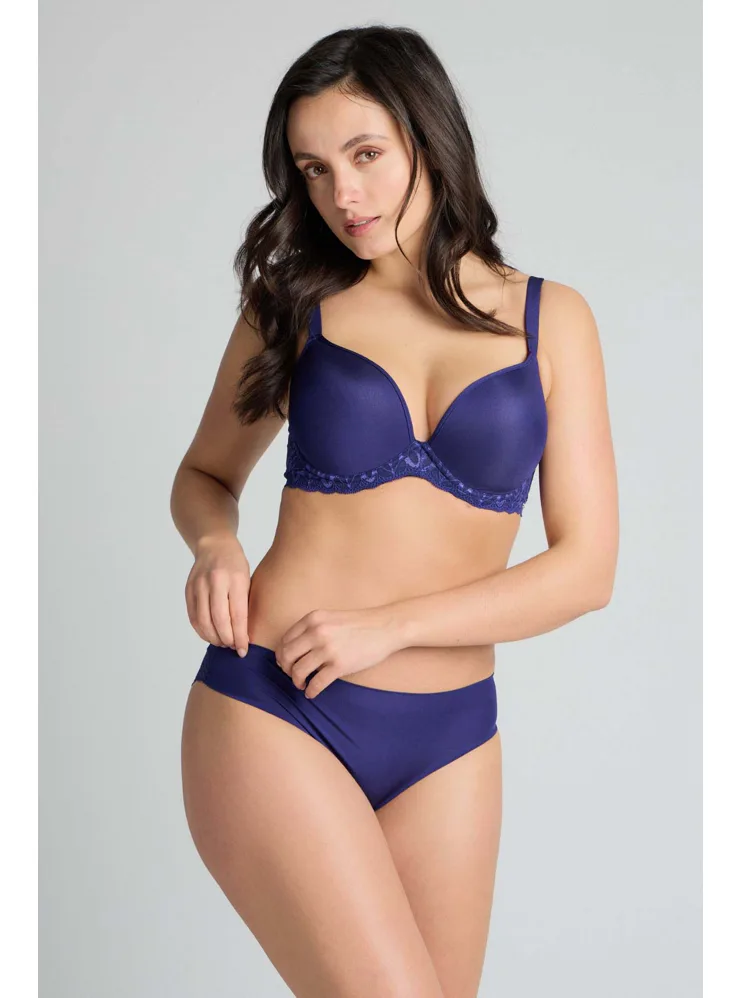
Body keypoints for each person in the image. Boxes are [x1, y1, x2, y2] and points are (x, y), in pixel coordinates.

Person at [172, 24, 619, 998]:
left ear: (427, 134)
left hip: (451, 738)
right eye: (314, 169)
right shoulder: (293, 307)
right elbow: (205, 474)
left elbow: (586, 569)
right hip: (275, 704)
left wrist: (392, 627)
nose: (344, 194)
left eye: (365, 154)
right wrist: (214, 545)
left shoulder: (552, 320)